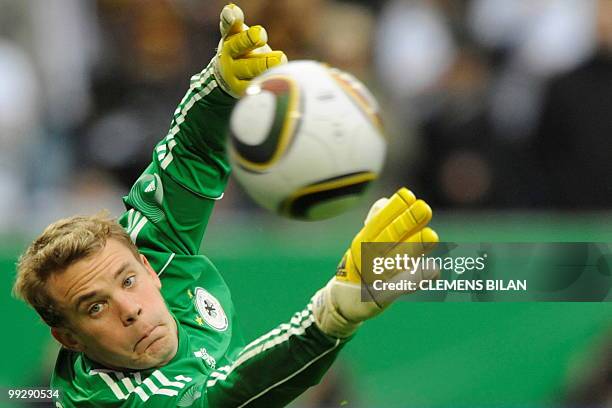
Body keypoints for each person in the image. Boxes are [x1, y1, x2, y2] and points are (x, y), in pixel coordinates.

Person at [12, 4, 438, 407]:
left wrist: (220, 87)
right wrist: (333, 315)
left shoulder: (155, 252)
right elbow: (219, 398)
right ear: (69, 340)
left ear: (147, 268)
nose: (130, 310)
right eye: (95, 307)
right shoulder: (112, 398)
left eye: (127, 281)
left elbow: (190, 156)